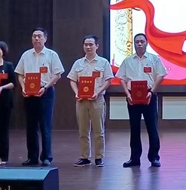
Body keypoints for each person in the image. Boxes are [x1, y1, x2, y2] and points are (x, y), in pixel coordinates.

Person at [15, 27, 64, 166]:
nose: (36, 38)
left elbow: (58, 74)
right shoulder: (26, 55)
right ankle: (32, 157)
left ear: (45, 39)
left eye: (39, 36)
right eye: (34, 36)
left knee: (45, 126)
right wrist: (23, 87)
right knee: (31, 126)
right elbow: (20, 74)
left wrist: (46, 87)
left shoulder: (51, 55)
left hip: (45, 92)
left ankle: (47, 157)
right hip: (29, 94)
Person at [116, 32, 166, 168]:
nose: (139, 44)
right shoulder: (127, 61)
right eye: (137, 42)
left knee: (152, 127)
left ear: (146, 43)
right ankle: (134, 158)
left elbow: (161, 75)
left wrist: (152, 92)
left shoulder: (154, 59)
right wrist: (127, 94)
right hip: (132, 96)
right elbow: (121, 78)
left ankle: (154, 157)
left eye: (142, 41)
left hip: (149, 95)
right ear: (134, 44)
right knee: (134, 128)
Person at [67, 35, 114, 167]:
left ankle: (99, 157)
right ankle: (85, 157)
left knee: (99, 130)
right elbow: (72, 80)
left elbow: (108, 80)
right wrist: (76, 92)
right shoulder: (78, 63)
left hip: (97, 100)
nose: (88, 47)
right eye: (86, 45)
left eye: (91, 44)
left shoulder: (103, 63)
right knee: (83, 131)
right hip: (81, 101)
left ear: (97, 46)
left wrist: (98, 92)